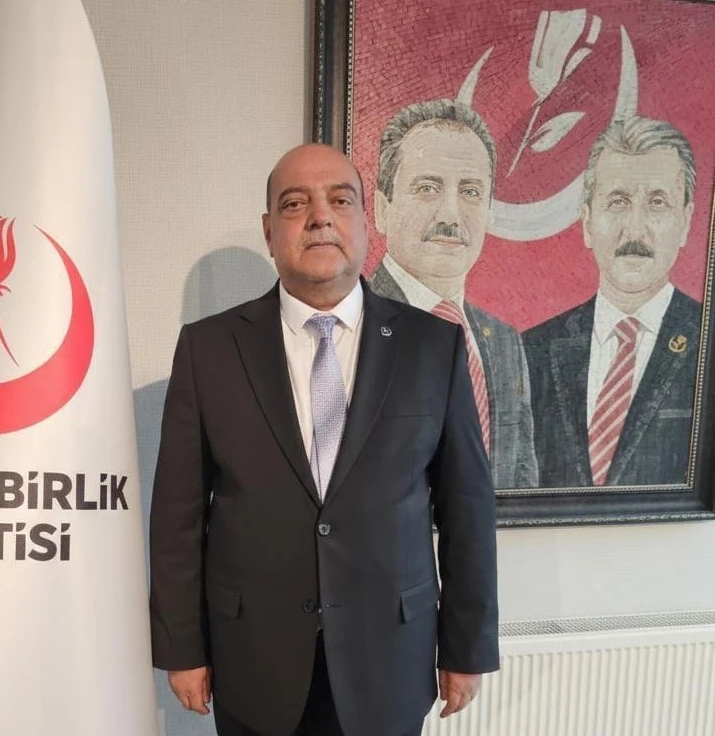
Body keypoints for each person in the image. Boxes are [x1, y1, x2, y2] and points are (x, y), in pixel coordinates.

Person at [149, 143, 499, 736]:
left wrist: (467, 646)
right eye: (295, 204)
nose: (319, 217)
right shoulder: (209, 350)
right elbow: (177, 517)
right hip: (253, 660)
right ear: (270, 231)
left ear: (365, 221)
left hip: (389, 657)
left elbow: (466, 507)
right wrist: (182, 647)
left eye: (340, 200)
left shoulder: (432, 346)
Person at [369, 99, 538, 489]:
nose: (450, 215)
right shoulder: (350, 327)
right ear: (381, 210)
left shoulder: (505, 342)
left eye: (471, 192)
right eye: (427, 188)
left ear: (489, 212)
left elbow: (521, 483)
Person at [524, 116, 701, 487]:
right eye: (618, 202)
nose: (634, 229)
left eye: (657, 202)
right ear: (588, 222)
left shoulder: (707, 340)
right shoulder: (530, 352)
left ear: (685, 223)